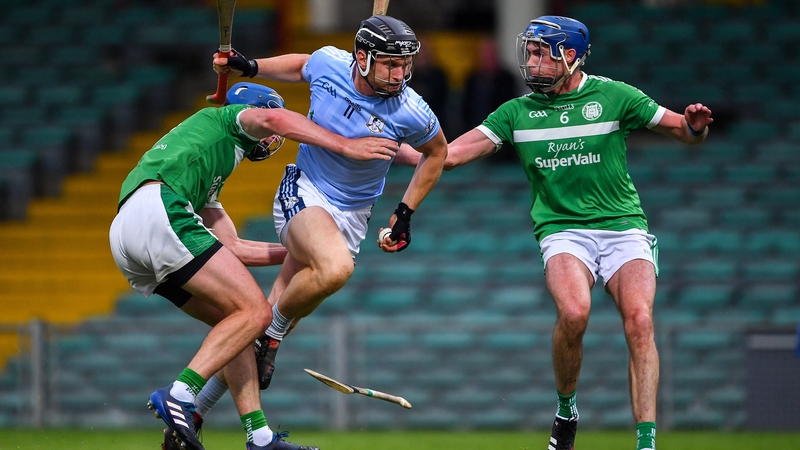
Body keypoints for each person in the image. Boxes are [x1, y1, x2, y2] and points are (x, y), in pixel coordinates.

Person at [395, 15, 713, 450]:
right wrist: (392, 141)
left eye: (542, 52)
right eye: (529, 52)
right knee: (574, 313)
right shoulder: (516, 112)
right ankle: (567, 411)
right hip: (563, 231)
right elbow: (448, 156)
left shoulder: (614, 95)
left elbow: (683, 131)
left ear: (572, 56)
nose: (532, 60)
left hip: (622, 227)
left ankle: (646, 442)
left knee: (640, 322)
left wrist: (695, 125)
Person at [110, 82, 398, 450]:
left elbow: (235, 247)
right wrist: (346, 145)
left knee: (239, 324)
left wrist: (300, 248)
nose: (274, 135)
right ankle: (180, 393)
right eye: (270, 130)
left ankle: (259, 437)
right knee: (256, 312)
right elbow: (275, 116)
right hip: (159, 208)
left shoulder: (209, 170)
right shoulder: (231, 118)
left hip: (130, 232)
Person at [191, 12, 446, 423]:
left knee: (252, 326)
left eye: (405, 64)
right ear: (362, 58)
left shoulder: (411, 110)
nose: (401, 74)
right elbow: (300, 65)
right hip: (305, 191)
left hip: (353, 217)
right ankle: (272, 337)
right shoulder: (331, 63)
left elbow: (437, 152)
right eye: (391, 63)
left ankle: (192, 411)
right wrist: (253, 67)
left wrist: (404, 212)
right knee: (334, 269)